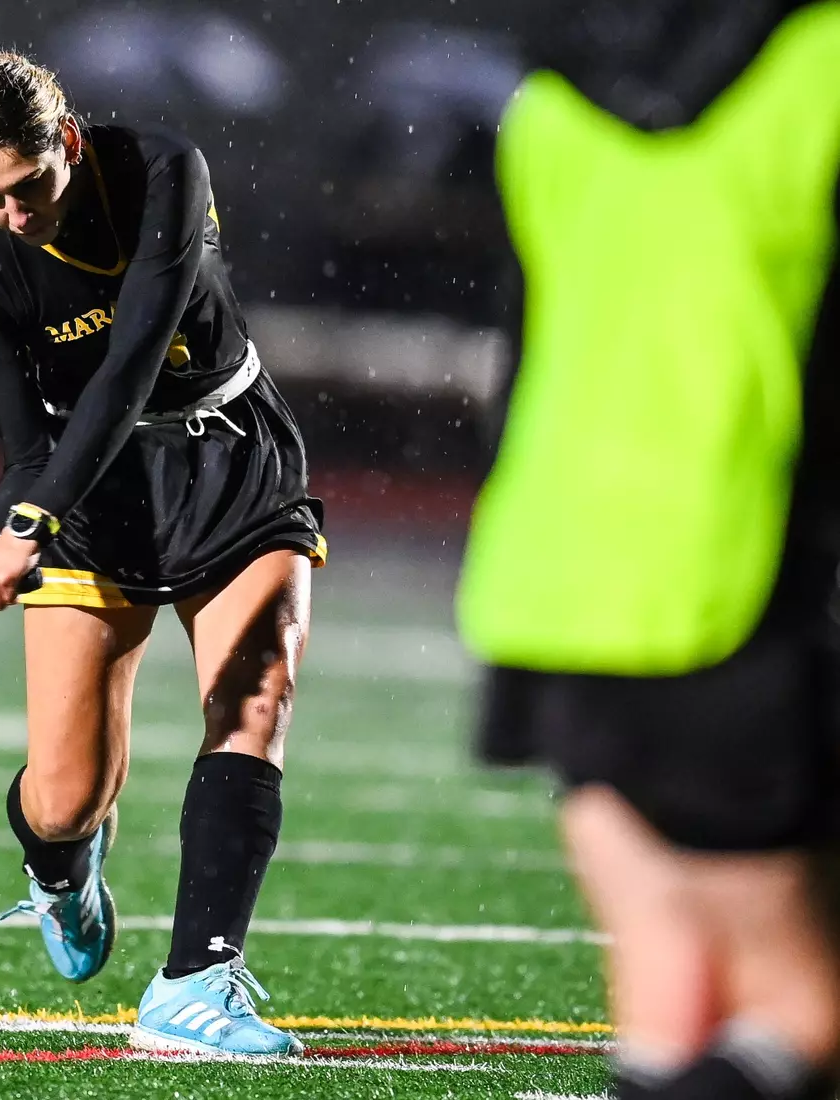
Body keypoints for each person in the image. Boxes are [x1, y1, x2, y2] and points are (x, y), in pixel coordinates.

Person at [0, 52, 325, 1057]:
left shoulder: (163, 170)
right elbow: (30, 444)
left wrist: (18, 534)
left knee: (253, 698)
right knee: (64, 794)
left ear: (66, 143)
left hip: (230, 458)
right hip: (94, 501)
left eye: (28, 185)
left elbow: (129, 366)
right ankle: (58, 865)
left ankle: (194, 985)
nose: (12, 214)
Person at [457, 3, 840, 1097]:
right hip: (743, 576)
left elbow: (528, 348)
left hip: (553, 575)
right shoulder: (821, 69)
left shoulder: (549, 92)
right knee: (801, 1012)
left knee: (667, 1004)